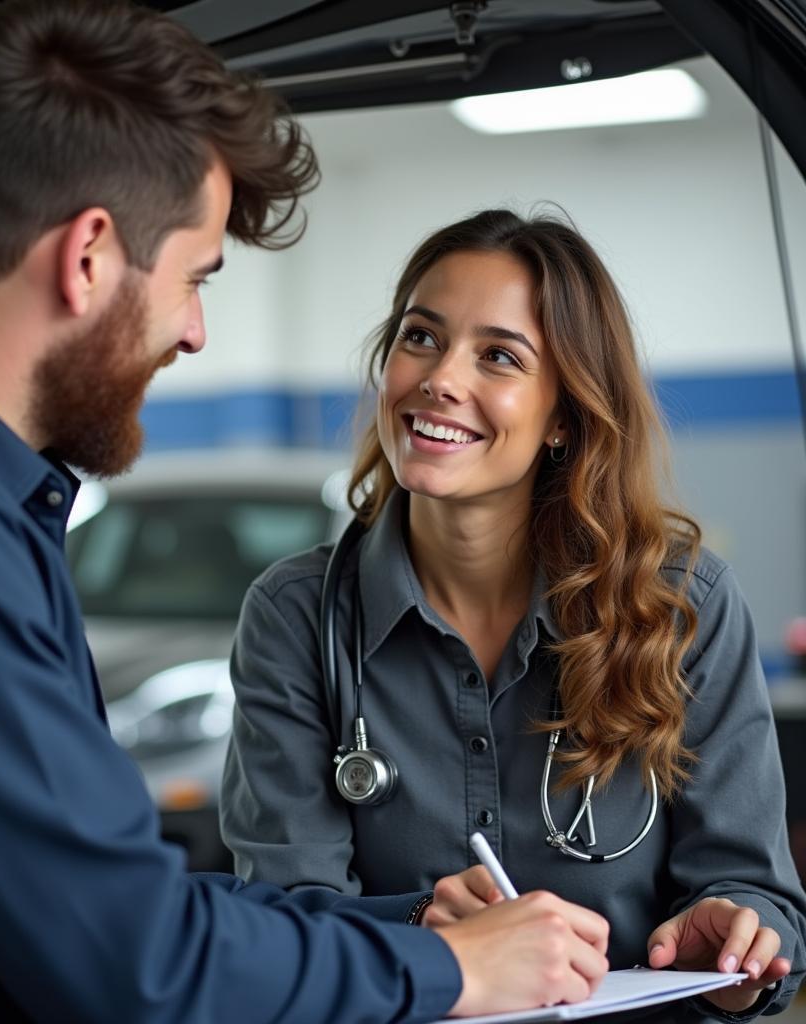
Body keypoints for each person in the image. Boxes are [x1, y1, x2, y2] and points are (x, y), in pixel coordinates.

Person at [0, 4, 617, 1022]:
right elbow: (133, 962)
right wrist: (456, 975)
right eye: (192, 278)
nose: (194, 332)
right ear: (88, 254)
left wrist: (409, 932)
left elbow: (102, 903)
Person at [220, 209, 806, 1019]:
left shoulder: (681, 607)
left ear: (564, 414)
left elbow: (759, 897)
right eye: (420, 337)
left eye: (497, 355)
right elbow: (280, 923)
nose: (439, 378)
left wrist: (743, 943)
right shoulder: (294, 616)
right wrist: (424, 929)